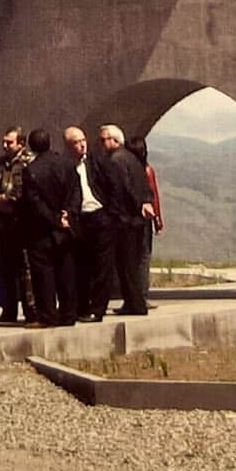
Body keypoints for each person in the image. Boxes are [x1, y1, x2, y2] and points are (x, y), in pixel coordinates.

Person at [63, 125, 124, 324]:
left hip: (101, 216)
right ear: (68, 145)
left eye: (83, 141)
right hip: (81, 219)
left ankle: (97, 309)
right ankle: (82, 305)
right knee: (82, 265)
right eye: (76, 143)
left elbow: (115, 187)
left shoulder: (99, 162)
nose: (81, 145)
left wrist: (111, 215)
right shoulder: (66, 166)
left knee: (102, 266)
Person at [18, 127, 77, 328]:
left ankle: (48, 315)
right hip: (66, 226)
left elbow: (34, 203)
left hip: (41, 230)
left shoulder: (31, 171)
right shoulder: (67, 165)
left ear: (31, 146)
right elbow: (75, 192)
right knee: (66, 271)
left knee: (43, 274)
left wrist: (53, 219)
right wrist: (68, 213)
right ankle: (69, 314)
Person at [99, 124, 153, 316]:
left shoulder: (116, 160)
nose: (101, 143)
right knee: (133, 262)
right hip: (136, 220)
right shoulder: (132, 159)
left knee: (126, 263)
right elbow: (145, 186)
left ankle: (134, 304)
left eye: (104, 139)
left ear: (115, 140)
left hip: (125, 220)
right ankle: (135, 302)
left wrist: (120, 211)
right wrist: (145, 204)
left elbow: (123, 188)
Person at [0, 125, 35, 323]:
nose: (5, 145)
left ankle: (31, 309)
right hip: (2, 224)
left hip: (21, 222)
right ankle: (8, 309)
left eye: (9, 142)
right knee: (6, 267)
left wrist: (4, 199)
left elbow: (22, 194)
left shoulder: (28, 163)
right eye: (4, 142)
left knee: (26, 268)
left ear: (21, 143)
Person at [124, 133, 163, 309]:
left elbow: (153, 196)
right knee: (143, 258)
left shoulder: (129, 171)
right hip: (144, 219)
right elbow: (154, 197)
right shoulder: (147, 170)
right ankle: (141, 296)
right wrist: (158, 220)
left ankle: (135, 297)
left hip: (131, 219)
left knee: (134, 258)